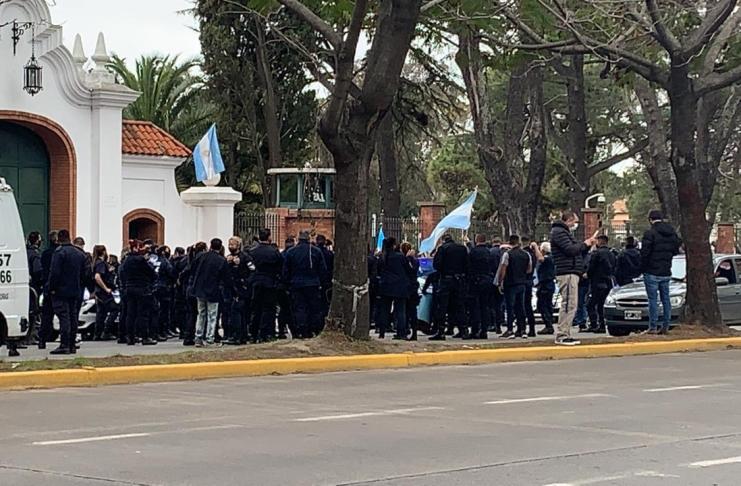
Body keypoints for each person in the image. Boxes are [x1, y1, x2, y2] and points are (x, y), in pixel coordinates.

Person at [550, 211, 596, 346]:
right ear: (569, 220)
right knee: (569, 304)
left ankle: (566, 333)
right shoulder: (559, 232)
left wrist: (586, 246)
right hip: (567, 272)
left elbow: (576, 251)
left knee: (571, 304)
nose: (576, 224)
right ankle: (562, 334)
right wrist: (585, 244)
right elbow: (571, 250)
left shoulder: (564, 233)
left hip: (571, 271)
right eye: (575, 221)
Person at [46, 229, 88, 354]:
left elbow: (54, 273)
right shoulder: (79, 254)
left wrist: (51, 288)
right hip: (75, 290)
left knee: (64, 317)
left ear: (59, 239)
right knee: (73, 317)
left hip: (61, 290)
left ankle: (64, 344)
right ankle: (72, 344)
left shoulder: (59, 253)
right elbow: (85, 274)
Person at [640, 210, 681, 334]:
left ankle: (653, 327)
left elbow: (645, 253)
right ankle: (665, 326)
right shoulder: (671, 233)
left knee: (653, 300)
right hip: (666, 271)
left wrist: (642, 268)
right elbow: (676, 249)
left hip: (651, 271)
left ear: (650, 220)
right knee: (666, 299)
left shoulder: (650, 233)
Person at [283, 230, 326, 339]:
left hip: (296, 284)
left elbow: (286, 271)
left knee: (299, 308)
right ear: (309, 239)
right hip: (313, 284)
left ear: (298, 239)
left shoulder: (291, 252)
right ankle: (313, 330)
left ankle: (301, 330)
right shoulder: (316, 251)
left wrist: (287, 284)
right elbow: (323, 270)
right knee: (313, 308)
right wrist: (321, 283)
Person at [191, 238, 230, 346]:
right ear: (220, 247)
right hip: (213, 290)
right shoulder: (221, 260)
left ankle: (198, 337)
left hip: (199, 289)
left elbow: (192, 269)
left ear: (210, 245)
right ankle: (210, 338)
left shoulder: (201, 256)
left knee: (201, 314)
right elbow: (226, 278)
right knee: (212, 315)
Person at [430, 234, 469, 340]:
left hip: (446, 280)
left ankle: (441, 331)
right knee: (460, 306)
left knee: (442, 306)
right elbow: (467, 264)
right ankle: (464, 330)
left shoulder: (442, 248)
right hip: (459, 280)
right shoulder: (462, 248)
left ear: (444, 240)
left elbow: (436, 265)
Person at [119, 240, 157, 345]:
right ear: (136, 248)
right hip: (142, 288)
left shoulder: (126, 260)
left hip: (129, 288)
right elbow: (151, 273)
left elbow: (123, 274)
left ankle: (130, 337)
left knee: (130, 314)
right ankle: (145, 337)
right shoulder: (140, 259)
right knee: (143, 314)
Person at [249, 229, 283, 343]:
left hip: (256, 282)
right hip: (270, 283)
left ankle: (254, 333)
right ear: (269, 237)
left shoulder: (253, 251)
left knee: (256, 309)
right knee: (269, 309)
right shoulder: (274, 252)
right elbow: (280, 268)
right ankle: (267, 333)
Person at [376, 237, 411, 340]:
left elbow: (379, 271)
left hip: (386, 285)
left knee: (384, 310)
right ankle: (401, 332)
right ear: (394, 245)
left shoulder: (382, 257)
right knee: (400, 310)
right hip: (400, 286)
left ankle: (382, 332)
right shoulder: (400, 257)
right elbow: (408, 269)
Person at [497, 235, 531, 339]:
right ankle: (523, 330)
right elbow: (529, 269)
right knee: (521, 307)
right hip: (522, 283)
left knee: (510, 307)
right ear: (518, 242)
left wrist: (500, 282)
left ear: (509, 242)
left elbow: (503, 269)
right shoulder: (526, 254)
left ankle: (510, 329)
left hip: (510, 284)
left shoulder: (507, 254)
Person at [586, 235, 616, 333]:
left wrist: (587, 274)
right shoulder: (612, 254)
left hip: (597, 282)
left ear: (600, 242)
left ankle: (594, 324)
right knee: (601, 305)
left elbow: (591, 267)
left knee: (590, 304)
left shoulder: (596, 253)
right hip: (608, 282)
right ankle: (602, 324)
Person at [466, 234, 493, 339]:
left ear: (476, 240)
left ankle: (475, 330)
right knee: (485, 306)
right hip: (487, 280)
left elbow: (468, 266)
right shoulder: (489, 252)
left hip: (475, 281)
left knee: (474, 307)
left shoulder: (473, 252)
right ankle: (484, 330)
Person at [92, 245, 117, 341]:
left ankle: (97, 333)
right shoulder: (101, 263)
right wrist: (106, 288)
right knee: (115, 309)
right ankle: (106, 331)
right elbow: (97, 276)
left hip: (98, 292)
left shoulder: (95, 262)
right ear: (103, 252)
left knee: (101, 313)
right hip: (103, 292)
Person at [401, 242, 420, 341]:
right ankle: (413, 331)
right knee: (412, 310)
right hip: (413, 286)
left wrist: (407, 258)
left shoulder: (405, 260)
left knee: (408, 310)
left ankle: (407, 330)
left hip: (407, 287)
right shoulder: (415, 260)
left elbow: (410, 270)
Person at [535, 242, 556, 335]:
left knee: (543, 305)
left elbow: (540, 259)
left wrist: (535, 247)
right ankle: (549, 324)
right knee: (546, 305)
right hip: (547, 284)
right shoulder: (551, 258)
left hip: (546, 284)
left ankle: (548, 325)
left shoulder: (548, 258)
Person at [521, 236, 538, 337]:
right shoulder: (533, 254)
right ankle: (532, 329)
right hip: (530, 281)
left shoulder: (524, 254)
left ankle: (522, 328)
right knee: (528, 306)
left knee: (521, 305)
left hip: (522, 280)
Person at [316, 234, 334, 326]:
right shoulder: (329, 254)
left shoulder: (314, 252)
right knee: (325, 303)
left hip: (316, 281)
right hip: (327, 282)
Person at [489, 237, 505, 334]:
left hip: (491, 279)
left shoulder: (490, 252)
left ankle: (493, 324)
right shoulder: (503, 253)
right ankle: (499, 323)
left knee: (491, 304)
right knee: (500, 304)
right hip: (501, 280)